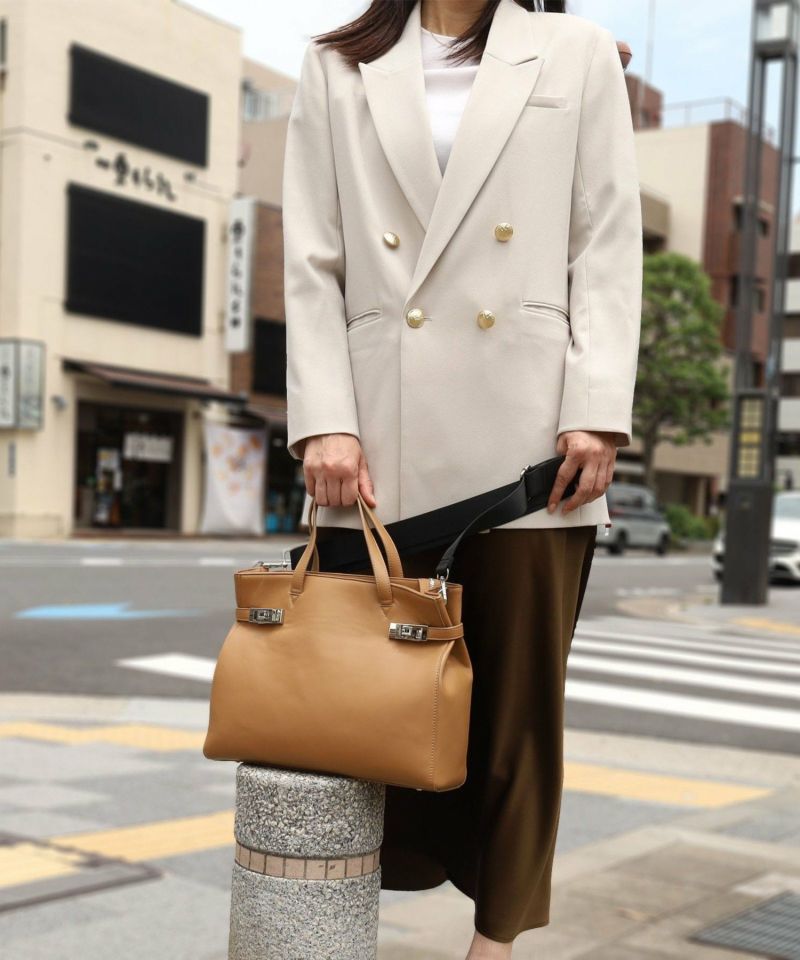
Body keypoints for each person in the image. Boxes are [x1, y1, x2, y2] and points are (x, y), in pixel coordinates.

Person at [281, 0, 642, 956]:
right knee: (357, 704)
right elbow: (312, 257)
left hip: (534, 436)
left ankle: (496, 944)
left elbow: (606, 235)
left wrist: (598, 406)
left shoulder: (574, 52)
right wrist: (324, 418)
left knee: (518, 712)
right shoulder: (336, 63)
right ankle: (327, 923)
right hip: (378, 438)